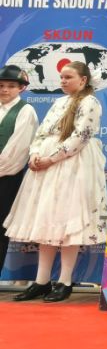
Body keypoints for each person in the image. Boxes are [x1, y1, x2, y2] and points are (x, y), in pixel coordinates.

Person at [4, 62, 107, 302]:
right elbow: (41, 132)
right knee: (47, 220)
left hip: (73, 165)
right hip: (47, 167)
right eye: (61, 77)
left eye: (68, 77)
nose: (63, 81)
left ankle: (65, 281)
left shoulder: (90, 102)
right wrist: (35, 154)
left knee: (68, 221)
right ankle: (41, 281)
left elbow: (80, 136)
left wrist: (51, 158)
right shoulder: (59, 102)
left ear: (83, 80)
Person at [0, 65, 39, 274]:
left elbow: (18, 150)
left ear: (21, 88)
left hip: (6, 177)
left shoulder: (25, 111)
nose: (5, 90)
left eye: (11, 86)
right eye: (1, 85)